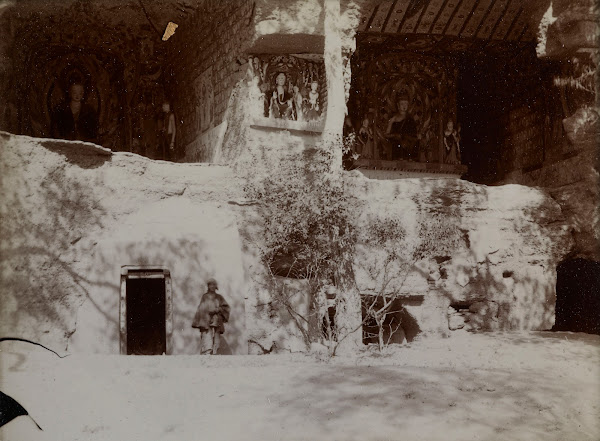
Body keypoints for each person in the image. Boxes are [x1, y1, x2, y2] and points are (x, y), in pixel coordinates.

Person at [192, 278, 230, 355]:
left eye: (213, 285)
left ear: (216, 286)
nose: (212, 286)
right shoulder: (205, 297)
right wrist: (206, 313)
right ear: (208, 286)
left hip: (217, 319)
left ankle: (216, 352)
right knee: (206, 335)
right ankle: (207, 352)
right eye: (210, 285)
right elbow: (201, 309)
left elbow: (226, 307)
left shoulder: (219, 297)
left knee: (217, 336)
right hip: (206, 320)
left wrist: (218, 309)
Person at [385, 94, 418, 161]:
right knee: (397, 143)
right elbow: (387, 133)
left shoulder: (410, 119)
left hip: (408, 140)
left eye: (406, 104)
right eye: (402, 104)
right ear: (398, 105)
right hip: (397, 140)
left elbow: (414, 133)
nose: (404, 106)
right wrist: (391, 123)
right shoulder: (394, 118)